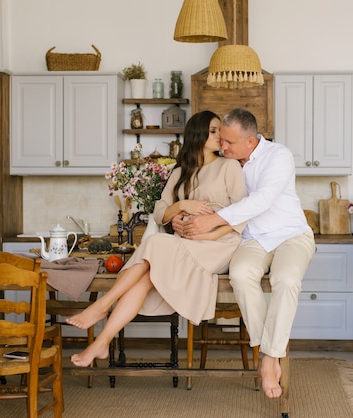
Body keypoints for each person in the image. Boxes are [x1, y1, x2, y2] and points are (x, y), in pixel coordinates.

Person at [67, 110, 247, 367]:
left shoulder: (228, 167)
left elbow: (241, 215)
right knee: (146, 277)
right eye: (214, 131)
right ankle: (102, 341)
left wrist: (208, 232)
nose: (221, 136)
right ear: (198, 134)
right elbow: (160, 212)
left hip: (219, 245)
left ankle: (102, 305)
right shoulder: (181, 172)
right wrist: (182, 205)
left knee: (152, 243)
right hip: (188, 244)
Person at [174, 108, 316, 399]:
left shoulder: (278, 156)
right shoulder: (227, 164)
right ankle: (268, 350)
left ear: (250, 141)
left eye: (228, 141)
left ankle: (268, 358)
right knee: (240, 275)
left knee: (286, 280)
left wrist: (212, 221)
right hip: (252, 239)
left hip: (290, 235)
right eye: (220, 139)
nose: (222, 145)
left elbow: (261, 200)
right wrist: (178, 214)